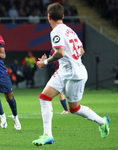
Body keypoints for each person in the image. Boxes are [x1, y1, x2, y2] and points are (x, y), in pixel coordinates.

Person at [32, 3, 110, 146]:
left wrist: (46, 62)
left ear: (48, 17)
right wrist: (70, 61)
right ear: (63, 16)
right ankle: (47, 135)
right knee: (44, 97)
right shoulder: (70, 30)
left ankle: (102, 121)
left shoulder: (55, 32)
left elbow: (60, 52)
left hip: (74, 74)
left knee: (74, 108)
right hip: (65, 71)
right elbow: (81, 51)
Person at [49, 49, 68, 115]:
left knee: (61, 92)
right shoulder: (53, 50)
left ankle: (67, 109)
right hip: (63, 71)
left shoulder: (53, 50)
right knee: (61, 92)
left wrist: (45, 61)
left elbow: (51, 60)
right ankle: (67, 109)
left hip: (62, 72)